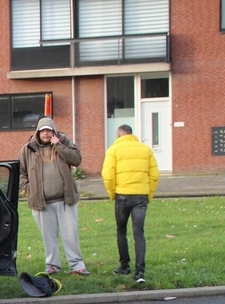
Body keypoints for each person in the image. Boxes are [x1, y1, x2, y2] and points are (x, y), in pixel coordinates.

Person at [17, 117, 90, 276]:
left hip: (65, 200)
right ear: (38, 132)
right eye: (43, 131)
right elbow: (21, 172)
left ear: (54, 131)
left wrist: (58, 145)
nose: (46, 134)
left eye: (49, 130)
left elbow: (76, 159)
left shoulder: (64, 142)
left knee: (70, 234)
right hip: (41, 202)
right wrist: (29, 188)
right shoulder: (27, 149)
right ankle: (52, 265)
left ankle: (76, 265)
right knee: (48, 236)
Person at [101, 124, 159, 284]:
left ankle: (124, 266)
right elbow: (154, 174)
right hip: (140, 196)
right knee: (139, 233)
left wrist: (112, 193)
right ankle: (140, 272)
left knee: (121, 231)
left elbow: (108, 174)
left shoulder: (113, 150)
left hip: (122, 195)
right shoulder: (145, 149)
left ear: (119, 135)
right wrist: (149, 194)